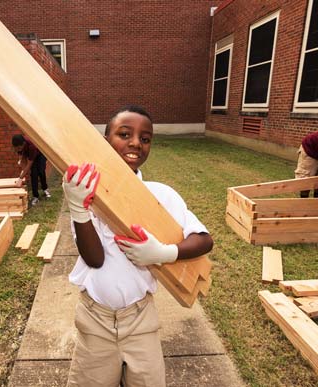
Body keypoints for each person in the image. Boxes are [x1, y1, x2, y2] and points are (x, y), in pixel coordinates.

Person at [62, 106, 213, 386]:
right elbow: (94, 259)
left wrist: (165, 254)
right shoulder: (86, 193)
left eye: (145, 139)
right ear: (105, 140)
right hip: (95, 318)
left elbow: (204, 240)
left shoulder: (160, 195)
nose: (135, 143)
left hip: (140, 319)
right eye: (124, 134)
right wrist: (77, 209)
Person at [11, 134, 50, 206]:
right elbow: (21, 158)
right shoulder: (19, 144)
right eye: (17, 148)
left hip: (40, 153)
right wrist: (20, 162)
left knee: (41, 171)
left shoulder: (31, 146)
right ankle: (35, 196)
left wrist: (20, 178)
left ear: (23, 144)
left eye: (19, 148)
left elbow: (29, 164)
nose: (18, 149)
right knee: (34, 174)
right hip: (30, 155)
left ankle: (45, 189)